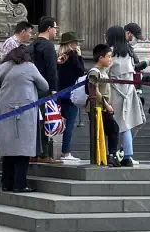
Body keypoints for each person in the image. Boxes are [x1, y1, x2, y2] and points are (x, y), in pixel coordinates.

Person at [0, 45, 50, 192]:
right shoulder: (29, 67)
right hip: (25, 113)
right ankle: (20, 184)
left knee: (8, 150)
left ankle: (6, 183)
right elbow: (45, 86)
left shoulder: (0, 68)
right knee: (23, 150)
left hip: (4, 114)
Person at [106, 26, 146, 168]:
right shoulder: (128, 52)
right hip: (129, 91)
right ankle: (127, 155)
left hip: (115, 91)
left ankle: (116, 153)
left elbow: (105, 71)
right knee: (126, 125)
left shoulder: (109, 52)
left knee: (117, 126)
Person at [31, 18, 61, 163]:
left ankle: (35, 152)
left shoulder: (32, 45)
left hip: (32, 88)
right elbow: (51, 70)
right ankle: (44, 154)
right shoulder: (48, 46)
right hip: (46, 89)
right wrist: (54, 90)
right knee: (46, 120)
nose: (56, 30)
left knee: (36, 121)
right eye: (55, 28)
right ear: (49, 29)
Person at [86, 44, 120, 165]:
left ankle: (108, 155)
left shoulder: (102, 71)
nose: (110, 59)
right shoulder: (94, 72)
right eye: (108, 56)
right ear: (101, 58)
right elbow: (95, 90)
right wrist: (106, 105)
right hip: (98, 108)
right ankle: (110, 155)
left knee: (110, 130)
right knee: (111, 129)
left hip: (102, 108)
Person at [56, 32, 86, 163]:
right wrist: (80, 56)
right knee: (70, 124)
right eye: (75, 42)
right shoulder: (73, 56)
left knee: (60, 122)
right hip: (71, 94)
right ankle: (65, 151)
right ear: (70, 43)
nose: (77, 45)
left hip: (60, 93)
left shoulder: (60, 57)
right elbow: (81, 71)